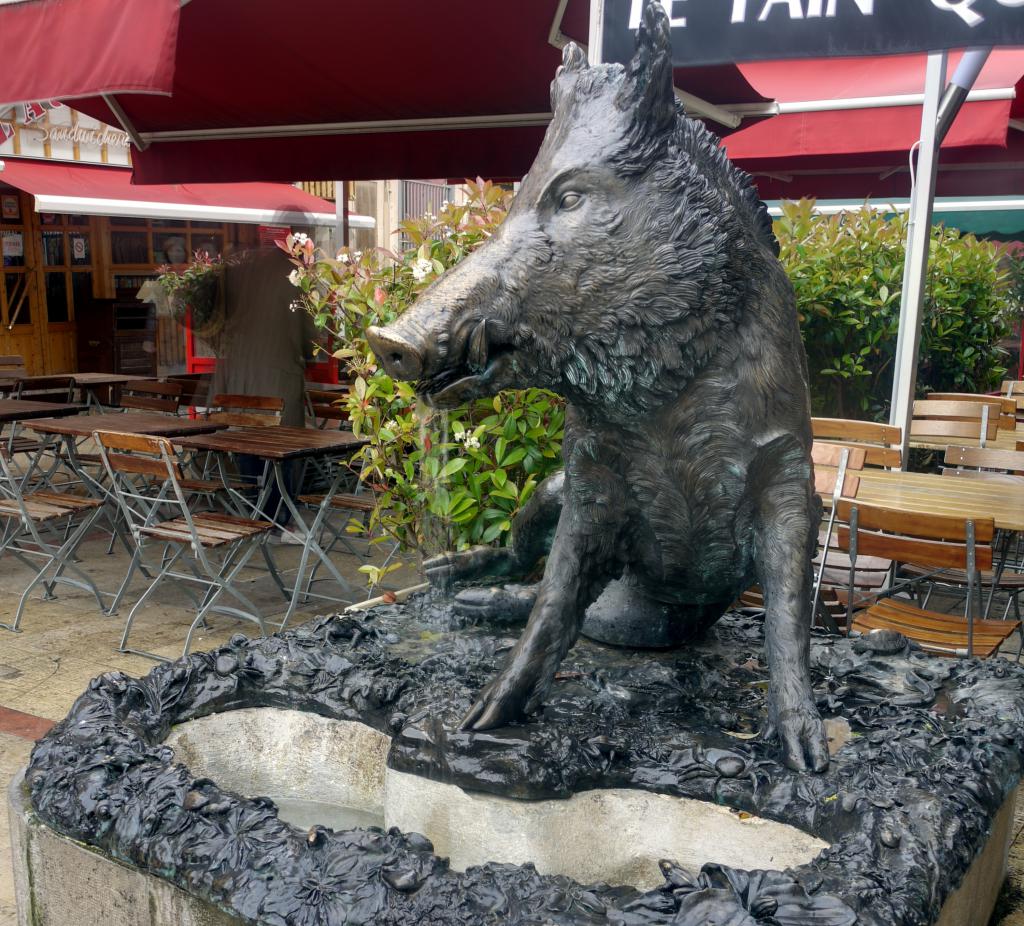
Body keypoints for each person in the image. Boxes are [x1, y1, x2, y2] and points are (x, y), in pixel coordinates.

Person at [213, 240, 316, 526]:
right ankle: (281, 519)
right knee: (285, 451)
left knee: (247, 445)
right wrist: (313, 352)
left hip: (240, 382)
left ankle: (256, 514)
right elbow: (308, 335)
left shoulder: (242, 276)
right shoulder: (291, 280)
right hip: (277, 381)